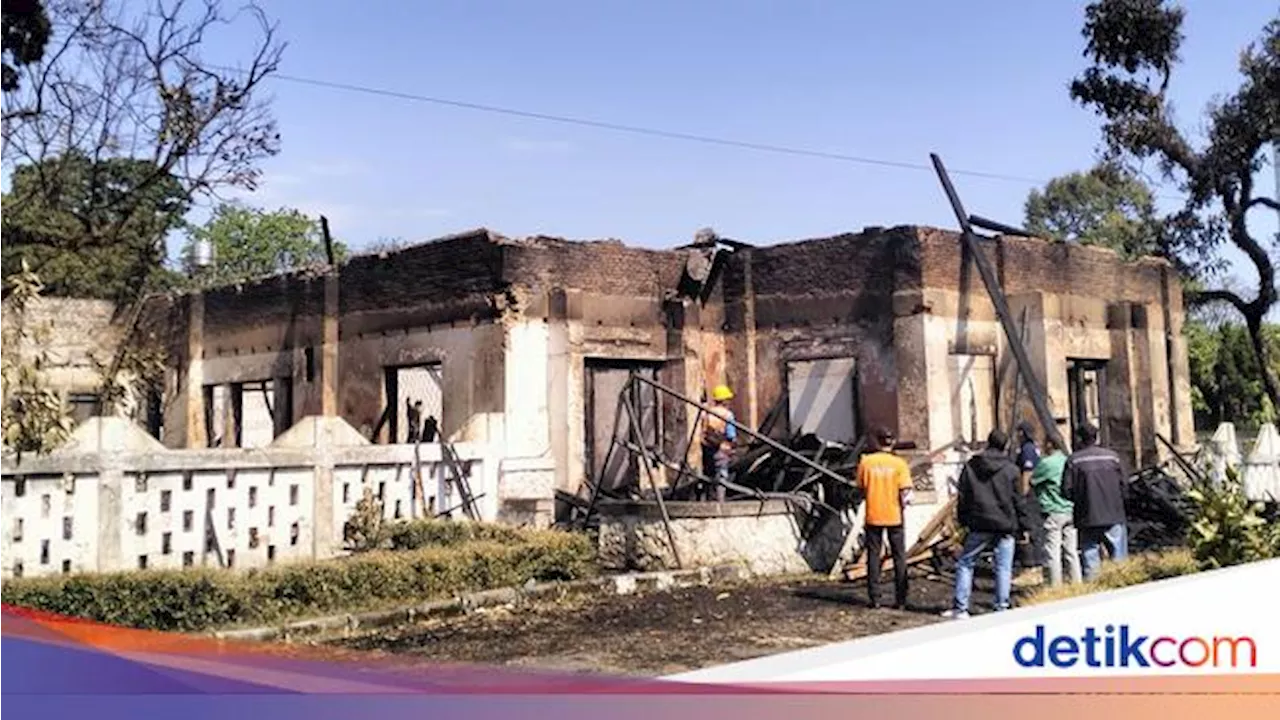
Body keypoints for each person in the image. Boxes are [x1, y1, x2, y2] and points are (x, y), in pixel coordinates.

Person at [944, 428, 1032, 619]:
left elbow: (963, 496)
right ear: (1006, 445)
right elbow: (1018, 500)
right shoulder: (1011, 469)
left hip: (979, 522)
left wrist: (963, 521)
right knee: (1003, 567)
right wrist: (1024, 526)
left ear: (987, 443)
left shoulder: (971, 466)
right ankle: (1001, 606)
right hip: (1005, 524)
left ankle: (961, 608)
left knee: (966, 563)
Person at [855, 426, 913, 610]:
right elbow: (906, 492)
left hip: (874, 514)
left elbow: (861, 487)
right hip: (894, 515)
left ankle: (875, 598)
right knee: (899, 557)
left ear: (876, 441)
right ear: (892, 441)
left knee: (873, 556)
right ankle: (901, 599)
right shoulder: (899, 464)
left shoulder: (866, 462)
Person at [1062, 423, 1128, 581]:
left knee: (1091, 562)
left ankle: (1095, 594)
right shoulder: (1113, 458)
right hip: (1114, 515)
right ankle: (1122, 589)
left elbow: (1066, 491)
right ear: (1096, 437)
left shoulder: (1074, 461)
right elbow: (1124, 485)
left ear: (1079, 439)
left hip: (1087, 517)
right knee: (1119, 561)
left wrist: (1082, 500)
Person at [1031, 435, 1082, 586]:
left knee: (1053, 551)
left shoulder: (1046, 463)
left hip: (1053, 510)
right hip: (1070, 509)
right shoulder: (1068, 460)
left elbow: (1033, 480)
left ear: (1050, 445)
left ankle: (1055, 585)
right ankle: (1077, 583)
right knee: (1071, 551)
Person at [700, 384, 738, 502]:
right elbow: (731, 435)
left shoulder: (707, 413)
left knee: (708, 475)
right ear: (725, 400)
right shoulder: (727, 415)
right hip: (722, 449)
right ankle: (720, 502)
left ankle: (708, 500)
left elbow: (703, 431)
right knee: (721, 475)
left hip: (707, 448)